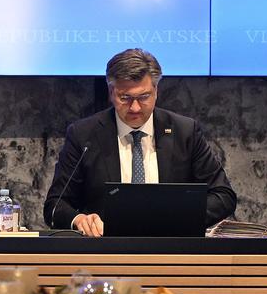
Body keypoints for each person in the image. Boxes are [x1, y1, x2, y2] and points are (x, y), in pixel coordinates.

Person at [43, 48, 237, 236]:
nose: (135, 108)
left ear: (156, 91)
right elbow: (55, 205)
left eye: (144, 97)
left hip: (173, 248)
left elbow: (223, 196)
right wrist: (79, 220)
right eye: (125, 98)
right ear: (111, 92)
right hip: (104, 249)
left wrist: (179, 217)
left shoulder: (184, 132)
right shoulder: (84, 134)